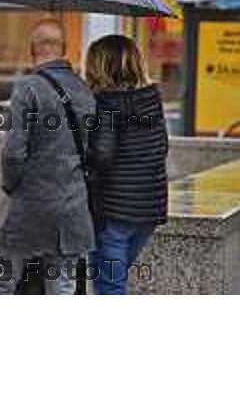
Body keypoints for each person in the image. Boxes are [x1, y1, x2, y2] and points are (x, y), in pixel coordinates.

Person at [0, 19, 96, 295]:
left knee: (0, 284)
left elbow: (12, 151)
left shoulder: (28, 87)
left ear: (32, 50)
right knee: (62, 288)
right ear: (65, 48)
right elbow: (94, 150)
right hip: (72, 209)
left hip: (28, 206)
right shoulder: (85, 90)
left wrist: (11, 186)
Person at [85, 35, 168, 295]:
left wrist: (80, 152)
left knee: (109, 288)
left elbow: (103, 156)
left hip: (115, 211)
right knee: (113, 283)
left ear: (100, 65)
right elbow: (162, 147)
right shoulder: (152, 99)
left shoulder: (106, 103)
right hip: (149, 209)